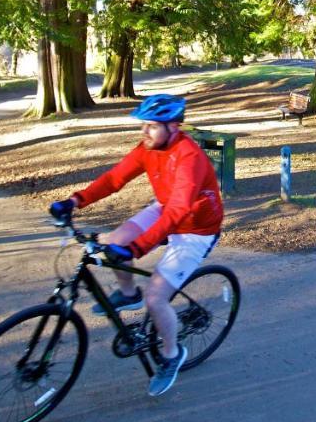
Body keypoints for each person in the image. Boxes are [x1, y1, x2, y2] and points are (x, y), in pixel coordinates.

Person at [50, 94, 223, 397]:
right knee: (116, 239)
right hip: (167, 208)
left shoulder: (190, 158)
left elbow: (178, 211)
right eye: (143, 126)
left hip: (196, 228)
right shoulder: (148, 148)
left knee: (156, 298)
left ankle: (171, 356)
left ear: (173, 127)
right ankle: (129, 294)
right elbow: (115, 178)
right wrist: (75, 200)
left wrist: (137, 249)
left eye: (152, 126)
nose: (144, 133)